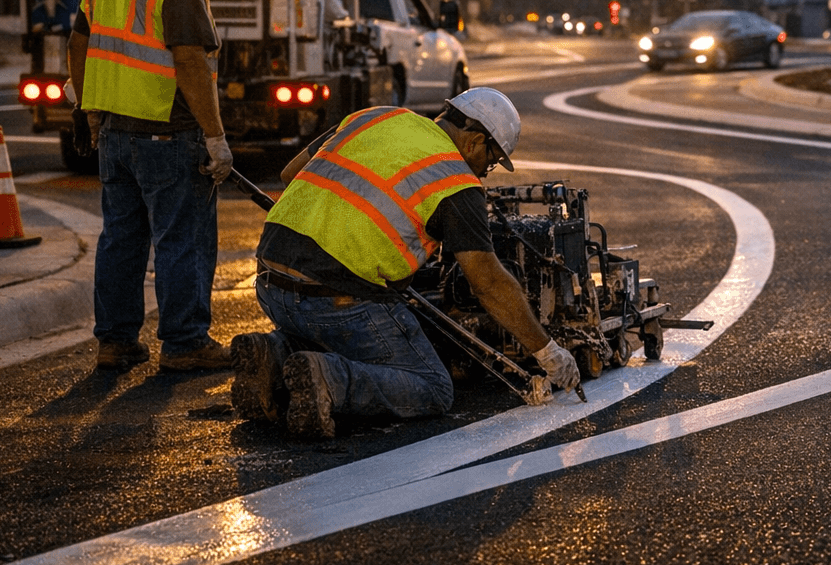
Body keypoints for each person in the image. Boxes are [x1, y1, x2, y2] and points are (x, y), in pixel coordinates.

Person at [229, 88, 581, 439]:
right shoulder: (455, 181)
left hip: (270, 283)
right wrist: (547, 351)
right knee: (431, 386)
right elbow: (487, 282)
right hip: (333, 301)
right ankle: (330, 380)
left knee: (336, 329)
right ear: (474, 141)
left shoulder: (375, 115)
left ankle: (273, 354)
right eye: (491, 162)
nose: (486, 173)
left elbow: (291, 174)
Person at [67, 0, 236, 372]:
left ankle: (116, 343)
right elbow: (188, 61)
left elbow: (79, 42)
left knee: (121, 240)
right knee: (183, 238)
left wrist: (84, 109)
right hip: (168, 130)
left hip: (115, 134)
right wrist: (215, 137)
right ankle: (185, 344)